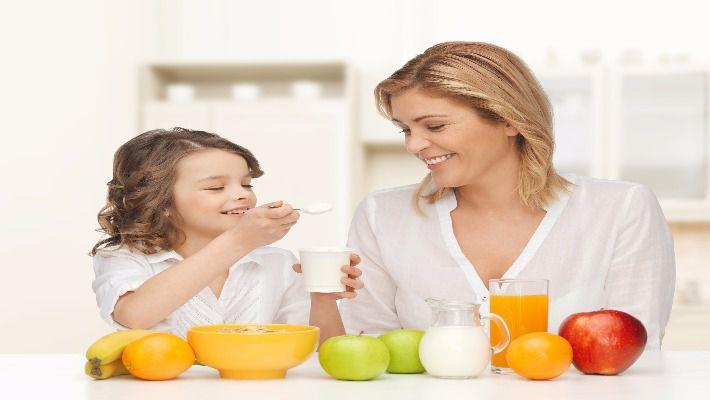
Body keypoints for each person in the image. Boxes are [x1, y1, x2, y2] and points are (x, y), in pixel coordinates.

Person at [340, 42, 675, 348]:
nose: (414, 145)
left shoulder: (621, 210)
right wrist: (325, 295)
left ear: (509, 120)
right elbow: (367, 350)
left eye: (435, 126)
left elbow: (636, 354)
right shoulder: (381, 216)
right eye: (405, 130)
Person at [90, 127, 362, 342]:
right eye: (216, 187)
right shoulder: (125, 258)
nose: (242, 194)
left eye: (246, 184)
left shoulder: (278, 263)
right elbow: (134, 316)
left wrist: (323, 298)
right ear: (161, 203)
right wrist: (239, 241)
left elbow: (320, 352)